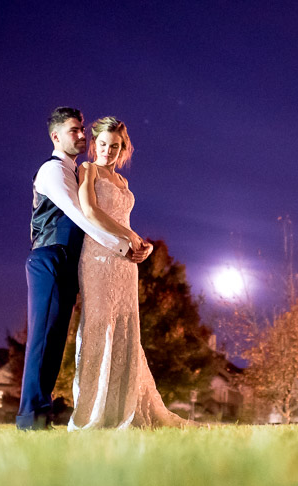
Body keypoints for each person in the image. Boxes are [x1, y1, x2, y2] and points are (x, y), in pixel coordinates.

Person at [17, 107, 152, 431]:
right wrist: (125, 244)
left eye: (81, 130)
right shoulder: (52, 171)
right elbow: (81, 215)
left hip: (71, 260)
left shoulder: (77, 171)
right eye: (74, 130)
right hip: (49, 257)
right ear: (55, 136)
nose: (81, 135)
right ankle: (29, 417)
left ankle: (42, 413)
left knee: (55, 338)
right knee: (42, 338)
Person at [68, 116, 191, 430]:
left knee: (125, 329)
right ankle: (91, 414)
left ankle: (124, 408)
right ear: (95, 144)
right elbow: (91, 212)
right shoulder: (88, 170)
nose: (109, 151)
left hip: (125, 265)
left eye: (116, 146)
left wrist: (143, 246)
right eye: (104, 144)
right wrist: (129, 235)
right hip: (98, 259)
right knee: (98, 327)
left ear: (123, 149)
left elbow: (124, 222)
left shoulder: (123, 182)